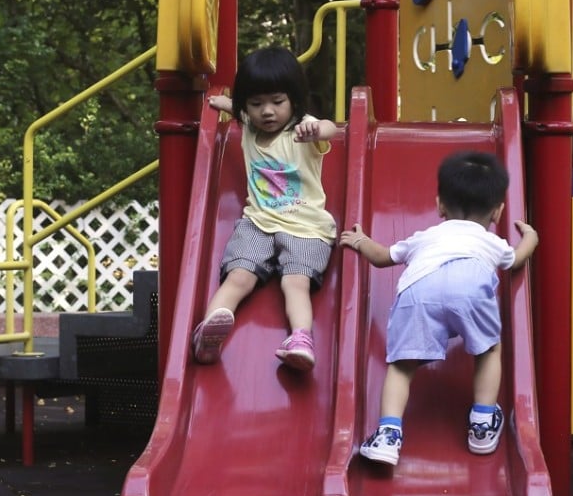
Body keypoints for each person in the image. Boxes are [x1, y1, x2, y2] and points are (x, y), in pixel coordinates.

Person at [338, 150, 538, 466]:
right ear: (498, 211)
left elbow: (381, 257)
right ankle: (483, 423)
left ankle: (388, 435)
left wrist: (361, 240)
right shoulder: (491, 242)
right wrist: (531, 236)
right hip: (470, 289)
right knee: (489, 350)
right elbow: (517, 258)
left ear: (439, 205)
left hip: (420, 290)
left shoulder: (426, 237)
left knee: (402, 365)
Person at [192, 46, 339, 371]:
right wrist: (221, 102)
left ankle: (301, 339)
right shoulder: (248, 126)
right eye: (257, 104)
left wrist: (317, 129)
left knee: (294, 282)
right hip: (257, 224)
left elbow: (329, 129)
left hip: (306, 227)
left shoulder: (303, 131)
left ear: (294, 101)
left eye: (277, 102)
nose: (267, 112)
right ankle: (208, 331)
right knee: (238, 276)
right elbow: (238, 108)